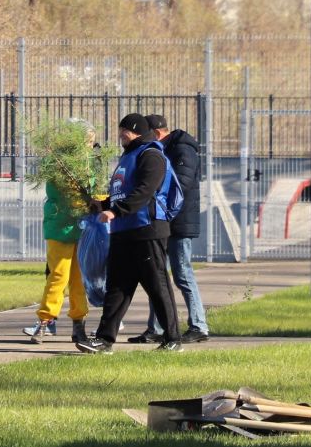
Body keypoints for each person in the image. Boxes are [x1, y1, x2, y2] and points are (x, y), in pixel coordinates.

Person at [74, 113, 182, 355]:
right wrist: (103, 204)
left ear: (139, 131)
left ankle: (173, 339)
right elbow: (122, 192)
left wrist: (115, 211)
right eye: (121, 129)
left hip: (147, 230)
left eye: (127, 130)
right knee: (117, 287)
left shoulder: (151, 155)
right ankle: (104, 340)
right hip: (123, 231)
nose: (122, 134)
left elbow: (145, 191)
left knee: (157, 286)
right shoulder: (127, 157)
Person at [133, 114, 207, 343]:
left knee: (182, 273)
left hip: (179, 223)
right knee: (158, 276)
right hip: (163, 222)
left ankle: (199, 326)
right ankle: (156, 328)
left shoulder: (182, 149)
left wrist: (155, 197)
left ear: (156, 133)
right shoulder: (161, 149)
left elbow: (180, 185)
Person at [25, 120, 94, 344]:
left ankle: (79, 323)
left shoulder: (87, 161)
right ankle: (45, 320)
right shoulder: (57, 162)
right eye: (89, 141)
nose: (91, 145)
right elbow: (68, 192)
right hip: (60, 227)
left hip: (81, 227)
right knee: (58, 276)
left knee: (79, 279)